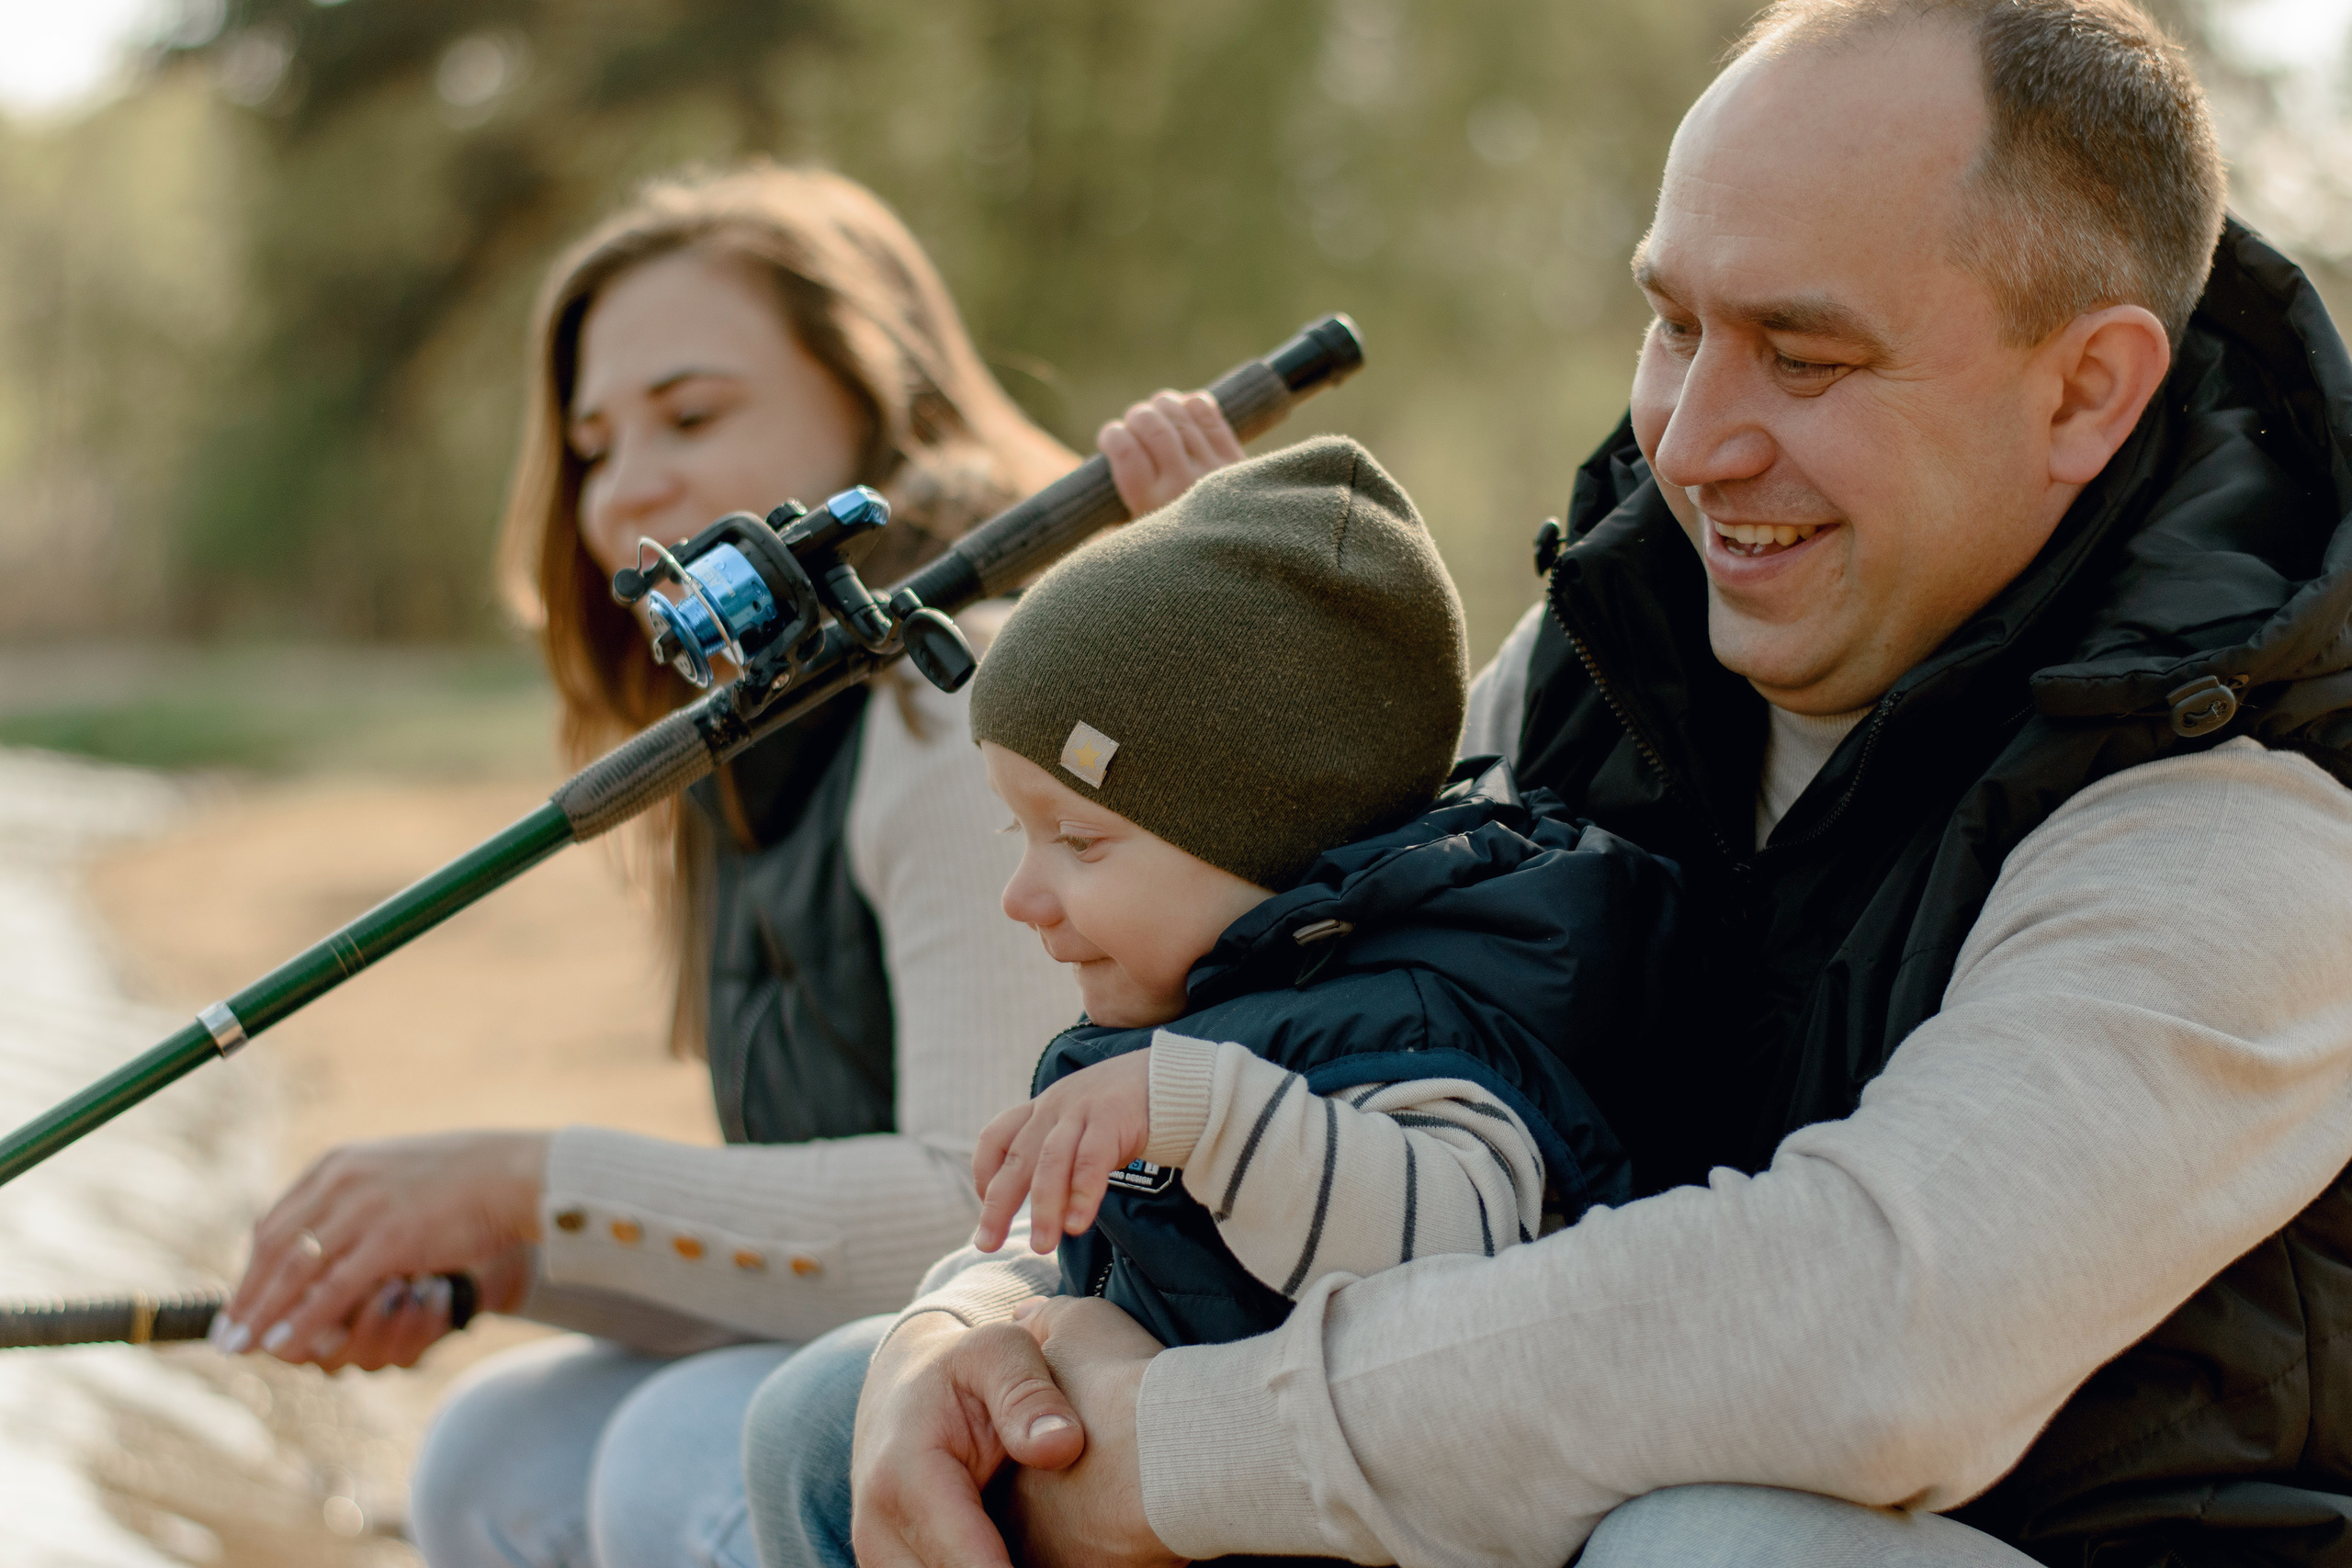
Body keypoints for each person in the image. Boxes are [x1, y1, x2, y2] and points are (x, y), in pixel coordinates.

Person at [780, 4, 2352, 1566]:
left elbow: (1870, 1328)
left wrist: (1161, 1454)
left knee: (1715, 1550)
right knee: (852, 1418)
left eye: (1803, 357)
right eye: (1674, 325)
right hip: (1564, 1484)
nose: (1689, 443)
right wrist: (985, 1315)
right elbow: (1281, 990)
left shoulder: (2249, 804)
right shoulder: (1612, 645)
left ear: (2085, 392)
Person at [202, 163, 1240, 1568]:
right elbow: (801, 1240)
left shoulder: (955, 697)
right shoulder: (744, 742)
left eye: (692, 415)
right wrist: (507, 1258)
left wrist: (527, 1182)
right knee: (494, 1447)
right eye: (592, 445)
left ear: (876, 404)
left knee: (678, 1447)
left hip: (1101, 1357)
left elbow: (984, 1212)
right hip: (905, 1340)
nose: (631, 485)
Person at [957, 435, 1680, 1357]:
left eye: (1078, 841)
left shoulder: (1416, 1031)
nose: (1022, 896)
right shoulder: (1212, 1012)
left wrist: (1201, 1112)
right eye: (1011, 831)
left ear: (1268, 836)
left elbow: (1454, 1256)